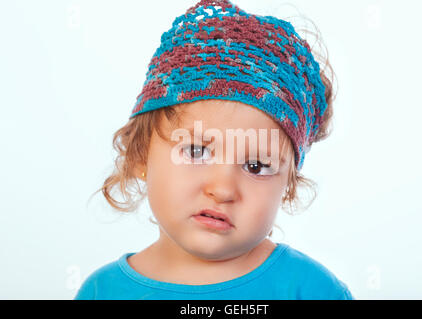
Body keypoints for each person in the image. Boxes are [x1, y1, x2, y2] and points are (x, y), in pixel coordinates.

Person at [75, 0, 354, 300]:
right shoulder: (102, 292)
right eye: (196, 151)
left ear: (287, 186)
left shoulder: (312, 291)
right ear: (140, 154)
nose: (222, 190)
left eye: (256, 166)